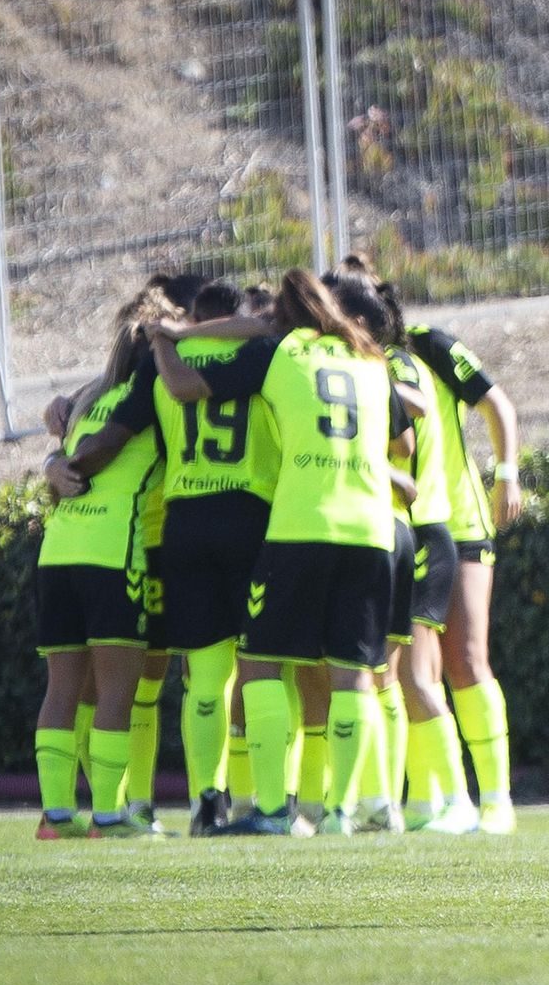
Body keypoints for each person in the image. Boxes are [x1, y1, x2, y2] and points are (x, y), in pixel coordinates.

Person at [149, 269, 412, 836]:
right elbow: (403, 439)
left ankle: (270, 810)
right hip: (370, 530)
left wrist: (168, 335)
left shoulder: (280, 351)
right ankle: (341, 812)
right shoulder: (371, 358)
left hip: (301, 525)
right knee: (355, 675)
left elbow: (193, 385)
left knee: (262, 663)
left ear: (284, 316)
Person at [327, 259, 476, 834]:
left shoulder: (393, 366)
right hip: (405, 531)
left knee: (415, 678)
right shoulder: (382, 367)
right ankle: (408, 802)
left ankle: (459, 801)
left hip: (423, 531)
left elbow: (410, 413)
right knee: (390, 680)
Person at [32, 287, 173, 839]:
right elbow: (103, 453)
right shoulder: (153, 391)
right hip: (113, 554)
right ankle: (110, 816)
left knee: (62, 689)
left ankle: (55, 815)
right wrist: (64, 462)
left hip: (58, 551)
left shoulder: (90, 397)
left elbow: (69, 451)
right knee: (118, 690)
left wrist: (52, 462)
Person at [403, 313, 521, 834]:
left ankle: (497, 800)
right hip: (400, 526)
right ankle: (431, 801)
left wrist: (507, 475)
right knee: (413, 669)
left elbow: (497, 403)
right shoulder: (350, 360)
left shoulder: (427, 344)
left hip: (460, 520)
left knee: (467, 659)